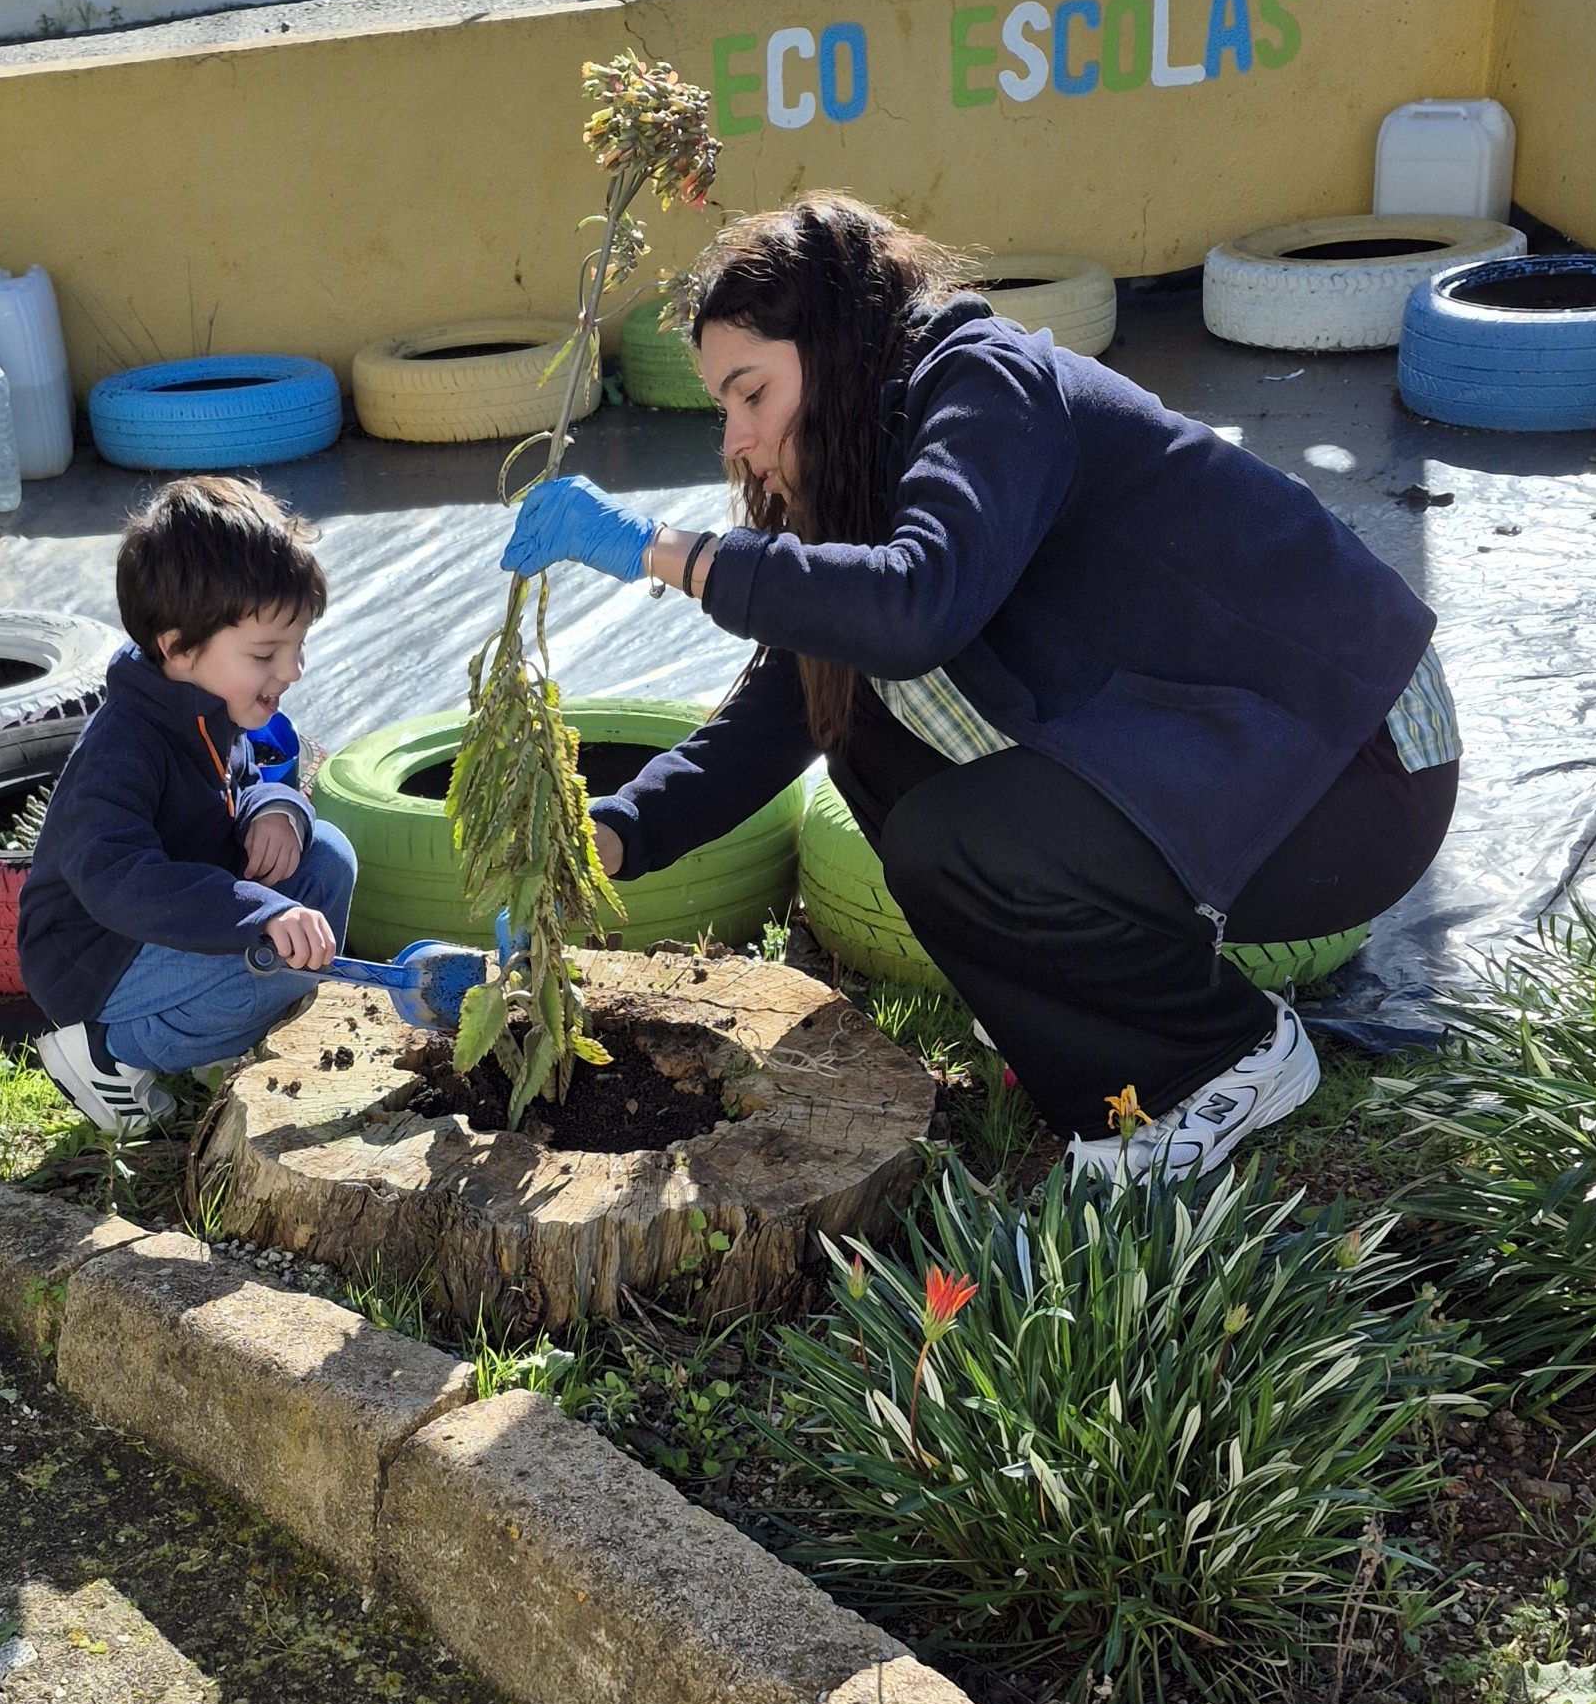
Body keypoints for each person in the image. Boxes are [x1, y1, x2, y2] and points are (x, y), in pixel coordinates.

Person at [501, 196, 1460, 1183]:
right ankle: (1122, 1058)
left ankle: (1229, 1058)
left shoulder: (985, 385)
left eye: (754, 395)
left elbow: (920, 605)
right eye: (724, 410)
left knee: (948, 829)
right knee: (863, 728)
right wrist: (608, 834)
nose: (737, 441)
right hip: (1245, 757)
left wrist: (660, 549)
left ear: (830, 352)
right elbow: (787, 704)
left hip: (1363, 760)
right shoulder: (863, 465)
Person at [18, 474, 356, 1134]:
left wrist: (274, 809)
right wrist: (261, 914)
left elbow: (242, 782)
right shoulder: (123, 745)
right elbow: (119, 880)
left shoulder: (210, 707)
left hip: (173, 920)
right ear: (177, 648)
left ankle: (224, 1029)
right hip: (98, 956)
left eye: (296, 646)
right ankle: (106, 1053)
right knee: (286, 968)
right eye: (266, 653)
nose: (291, 670)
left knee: (325, 858)